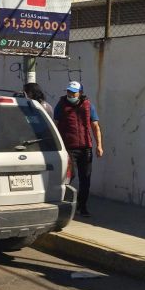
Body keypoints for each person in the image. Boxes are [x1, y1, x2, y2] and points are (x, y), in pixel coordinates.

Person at [54, 81, 103, 217]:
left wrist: (99, 145)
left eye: (73, 92)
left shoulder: (88, 106)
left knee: (85, 178)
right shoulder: (61, 105)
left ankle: (82, 206)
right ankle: (66, 204)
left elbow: (95, 126)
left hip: (85, 148)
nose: (70, 95)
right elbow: (56, 125)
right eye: (69, 92)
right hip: (68, 147)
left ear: (80, 93)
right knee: (70, 176)